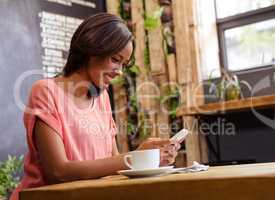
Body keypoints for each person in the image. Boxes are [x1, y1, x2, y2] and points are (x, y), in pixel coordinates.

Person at [10, 13, 180, 200]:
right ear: (92, 49)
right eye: (115, 60)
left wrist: (145, 157)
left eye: (124, 64)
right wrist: (133, 157)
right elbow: (58, 171)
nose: (120, 72)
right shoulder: (46, 91)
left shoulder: (102, 98)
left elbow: (113, 165)